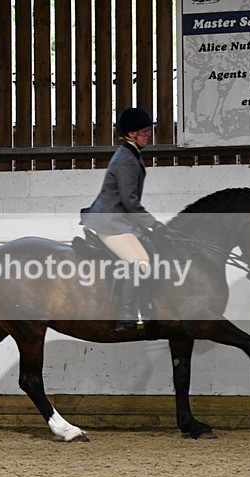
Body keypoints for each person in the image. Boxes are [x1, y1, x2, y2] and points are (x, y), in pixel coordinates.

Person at [80, 107, 164, 331]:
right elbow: (130, 201)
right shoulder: (126, 159)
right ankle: (126, 312)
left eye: (148, 130)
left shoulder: (131, 154)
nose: (148, 134)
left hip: (119, 221)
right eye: (144, 131)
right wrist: (153, 224)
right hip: (109, 223)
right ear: (130, 134)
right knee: (139, 262)